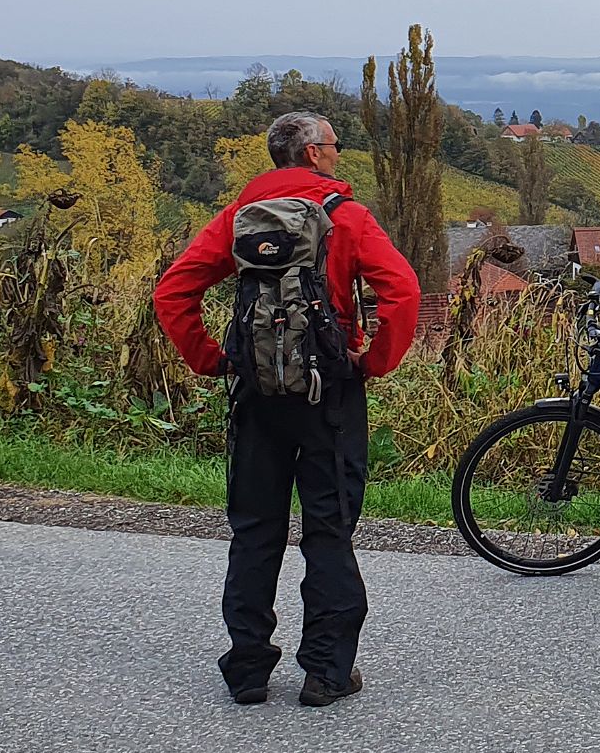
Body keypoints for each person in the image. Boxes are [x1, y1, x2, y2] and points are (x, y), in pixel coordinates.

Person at [153, 110, 436, 707]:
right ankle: (327, 673)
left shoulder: (239, 219)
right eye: (334, 145)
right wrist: (372, 359)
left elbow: (173, 290)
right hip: (328, 391)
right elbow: (403, 291)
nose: (338, 154)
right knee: (328, 531)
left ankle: (249, 669)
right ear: (311, 154)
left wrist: (213, 359)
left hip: (257, 394)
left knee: (254, 531)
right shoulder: (346, 217)